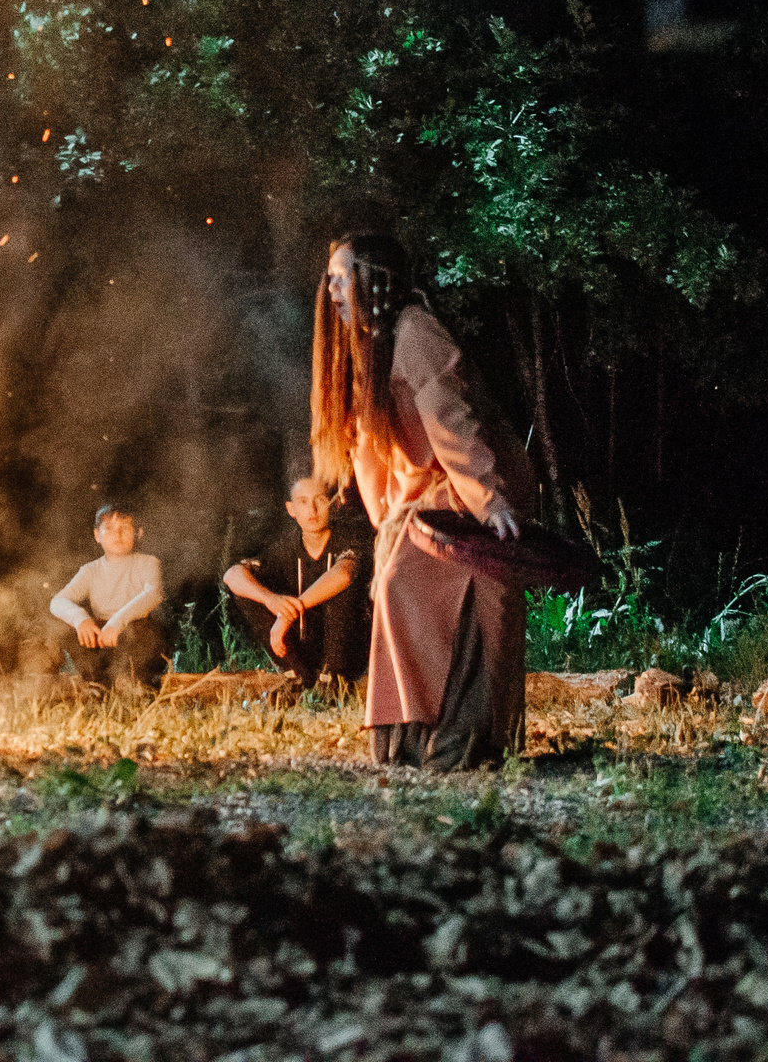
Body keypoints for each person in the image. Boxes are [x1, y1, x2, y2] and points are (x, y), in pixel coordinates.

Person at [315, 231, 536, 769]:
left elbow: (451, 419)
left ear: (375, 280)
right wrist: (386, 520)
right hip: (424, 498)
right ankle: (406, 745)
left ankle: (461, 741)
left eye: (342, 278)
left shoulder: (415, 330)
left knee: (410, 586)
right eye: (331, 279)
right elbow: (369, 445)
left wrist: (490, 501)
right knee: (393, 586)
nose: (332, 290)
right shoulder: (366, 342)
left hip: (468, 488)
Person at [222, 478, 372, 690]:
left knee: (343, 588)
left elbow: (343, 574)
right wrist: (270, 599)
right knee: (249, 591)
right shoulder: (286, 547)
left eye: (320, 500)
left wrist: (286, 616)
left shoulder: (349, 536)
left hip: (348, 650)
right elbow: (232, 574)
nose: (312, 509)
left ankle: (334, 677)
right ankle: (298, 674)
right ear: (291, 509)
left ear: (335, 504)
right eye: (303, 502)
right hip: (306, 647)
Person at [49, 504, 167, 693]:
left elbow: (153, 594)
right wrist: (81, 620)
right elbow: (57, 602)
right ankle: (95, 685)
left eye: (125, 528)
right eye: (109, 528)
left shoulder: (148, 563)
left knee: (147, 631)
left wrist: (117, 623)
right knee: (70, 631)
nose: (117, 534)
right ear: (97, 535)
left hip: (136, 635)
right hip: (103, 638)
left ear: (138, 533)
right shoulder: (90, 570)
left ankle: (136, 683)